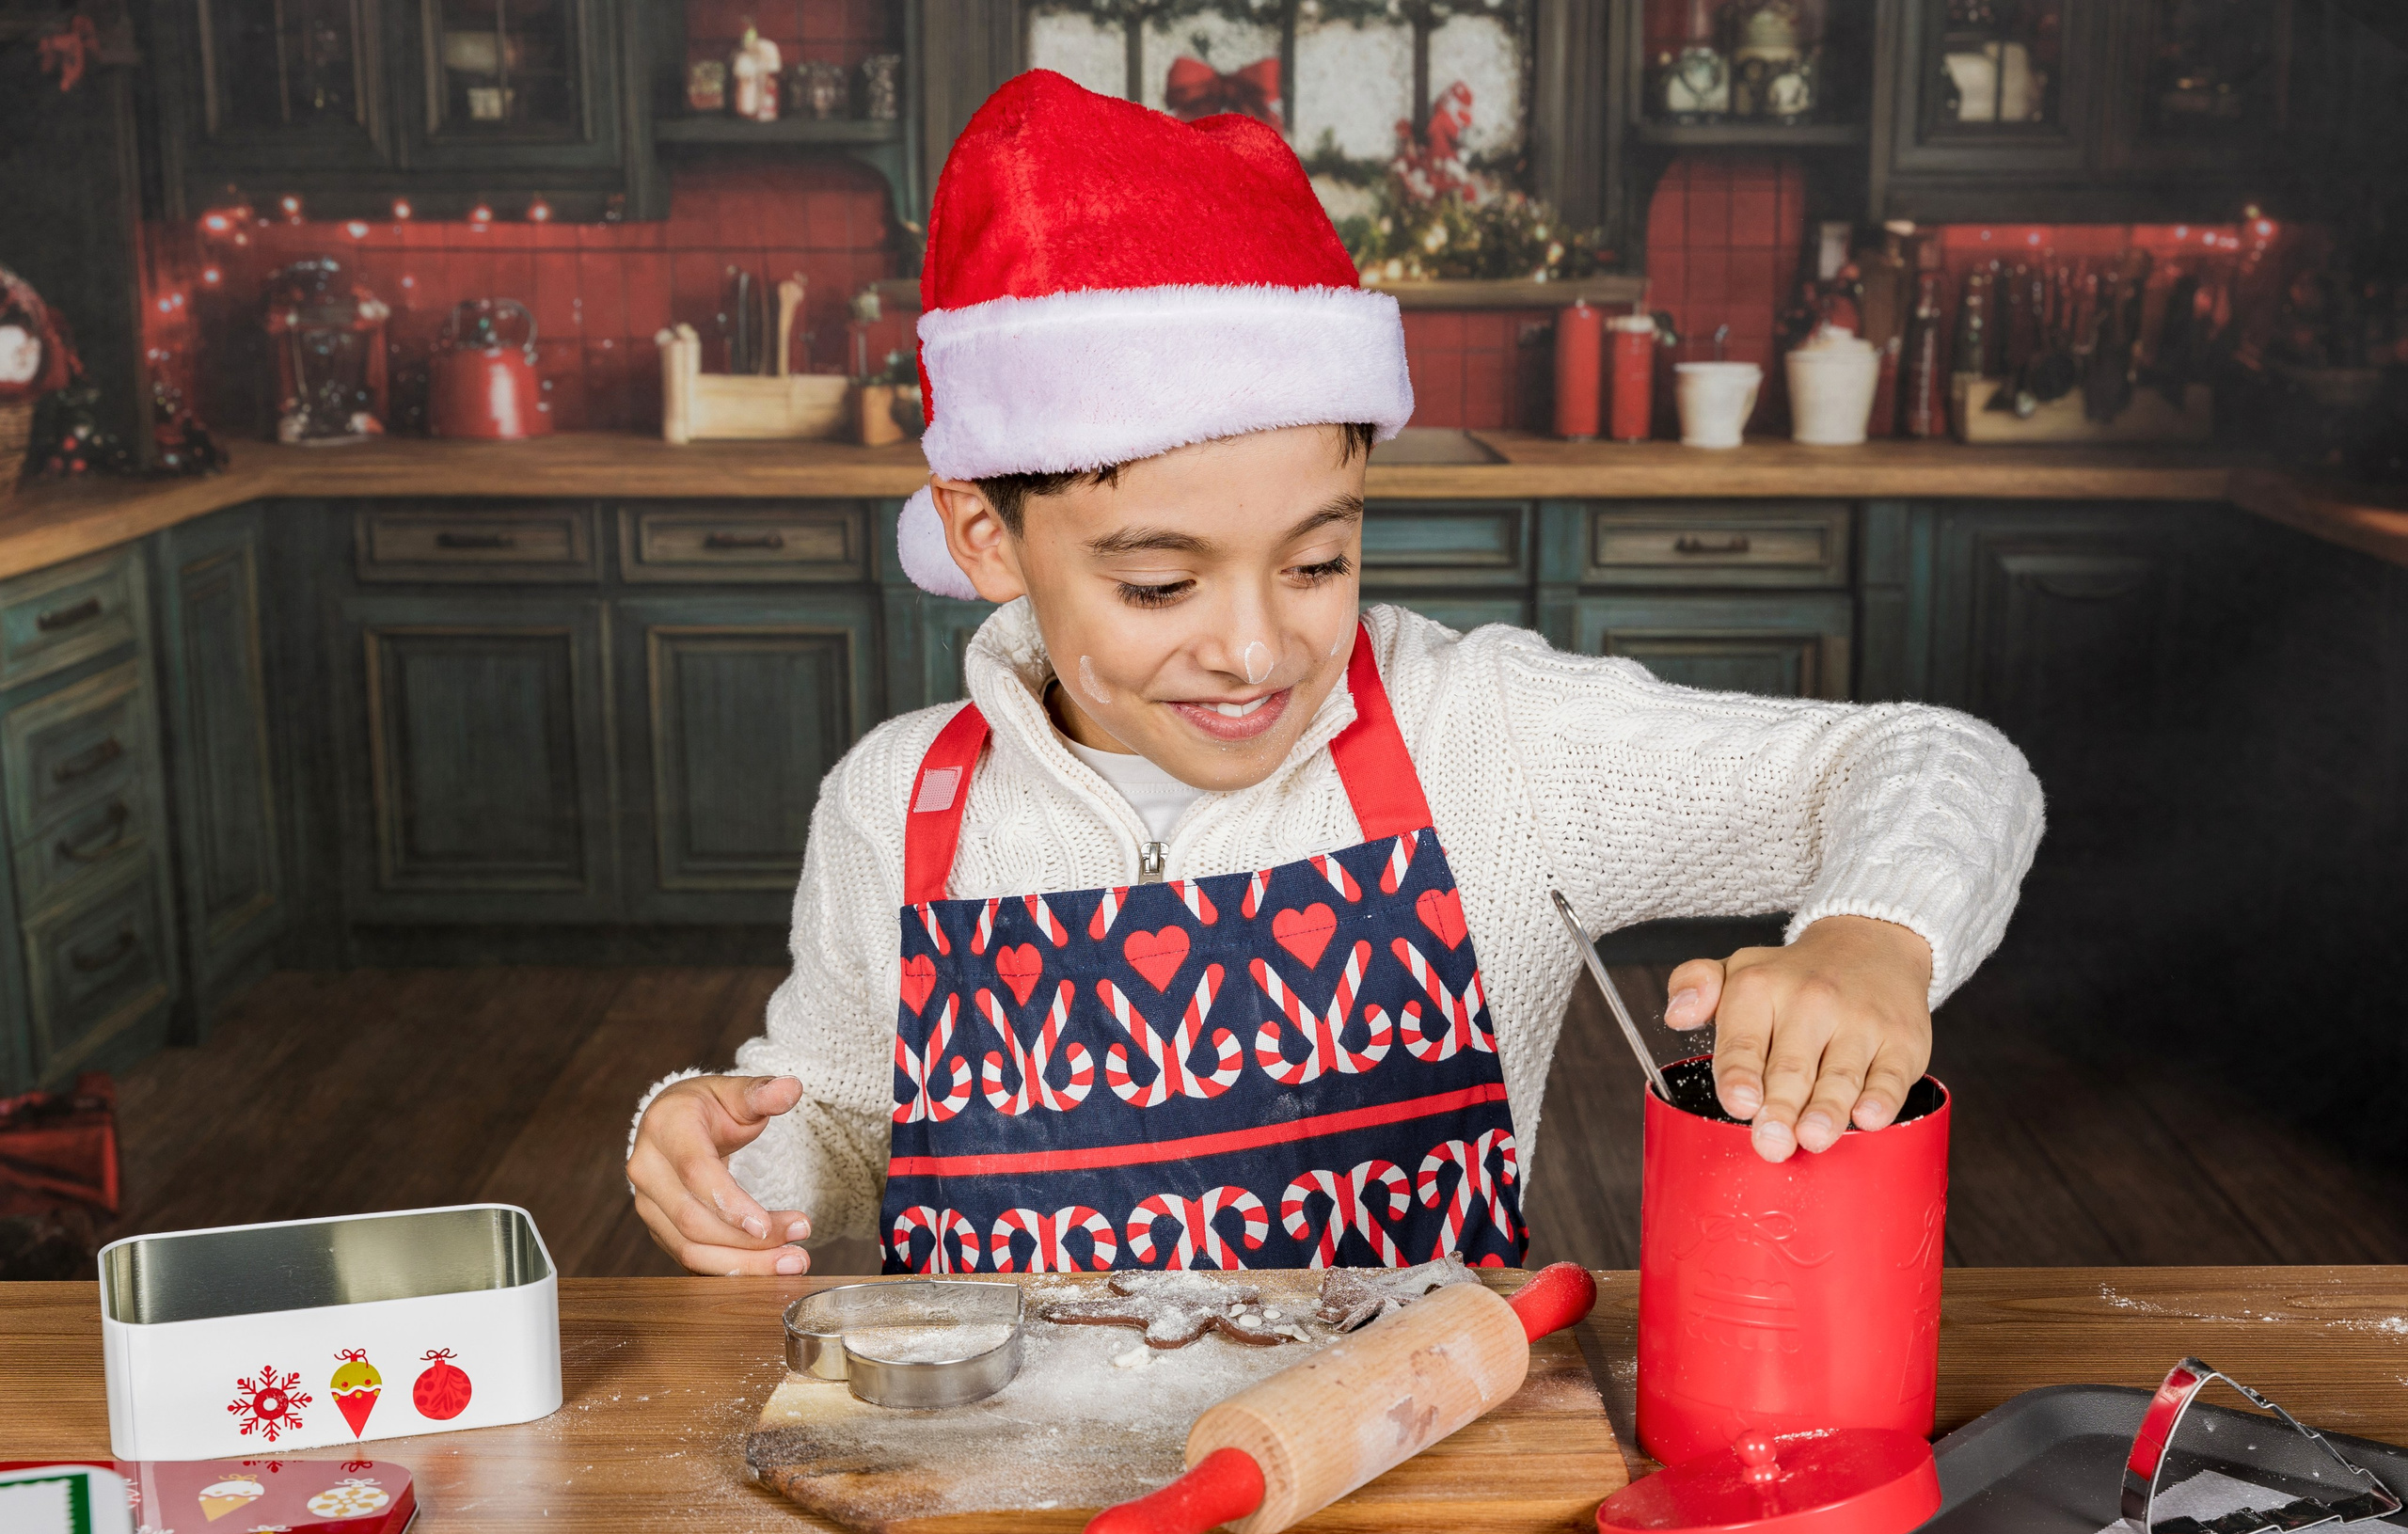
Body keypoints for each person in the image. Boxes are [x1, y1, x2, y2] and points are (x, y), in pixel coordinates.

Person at [626, 71, 2043, 1277]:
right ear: (986, 534)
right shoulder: (899, 805)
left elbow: (1933, 762)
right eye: (1160, 583)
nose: (1256, 647)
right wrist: (734, 1159)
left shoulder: (1485, 740)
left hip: (1403, 1492)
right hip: (1016, 1516)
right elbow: (850, 1125)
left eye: (1316, 562)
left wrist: (1872, 939)